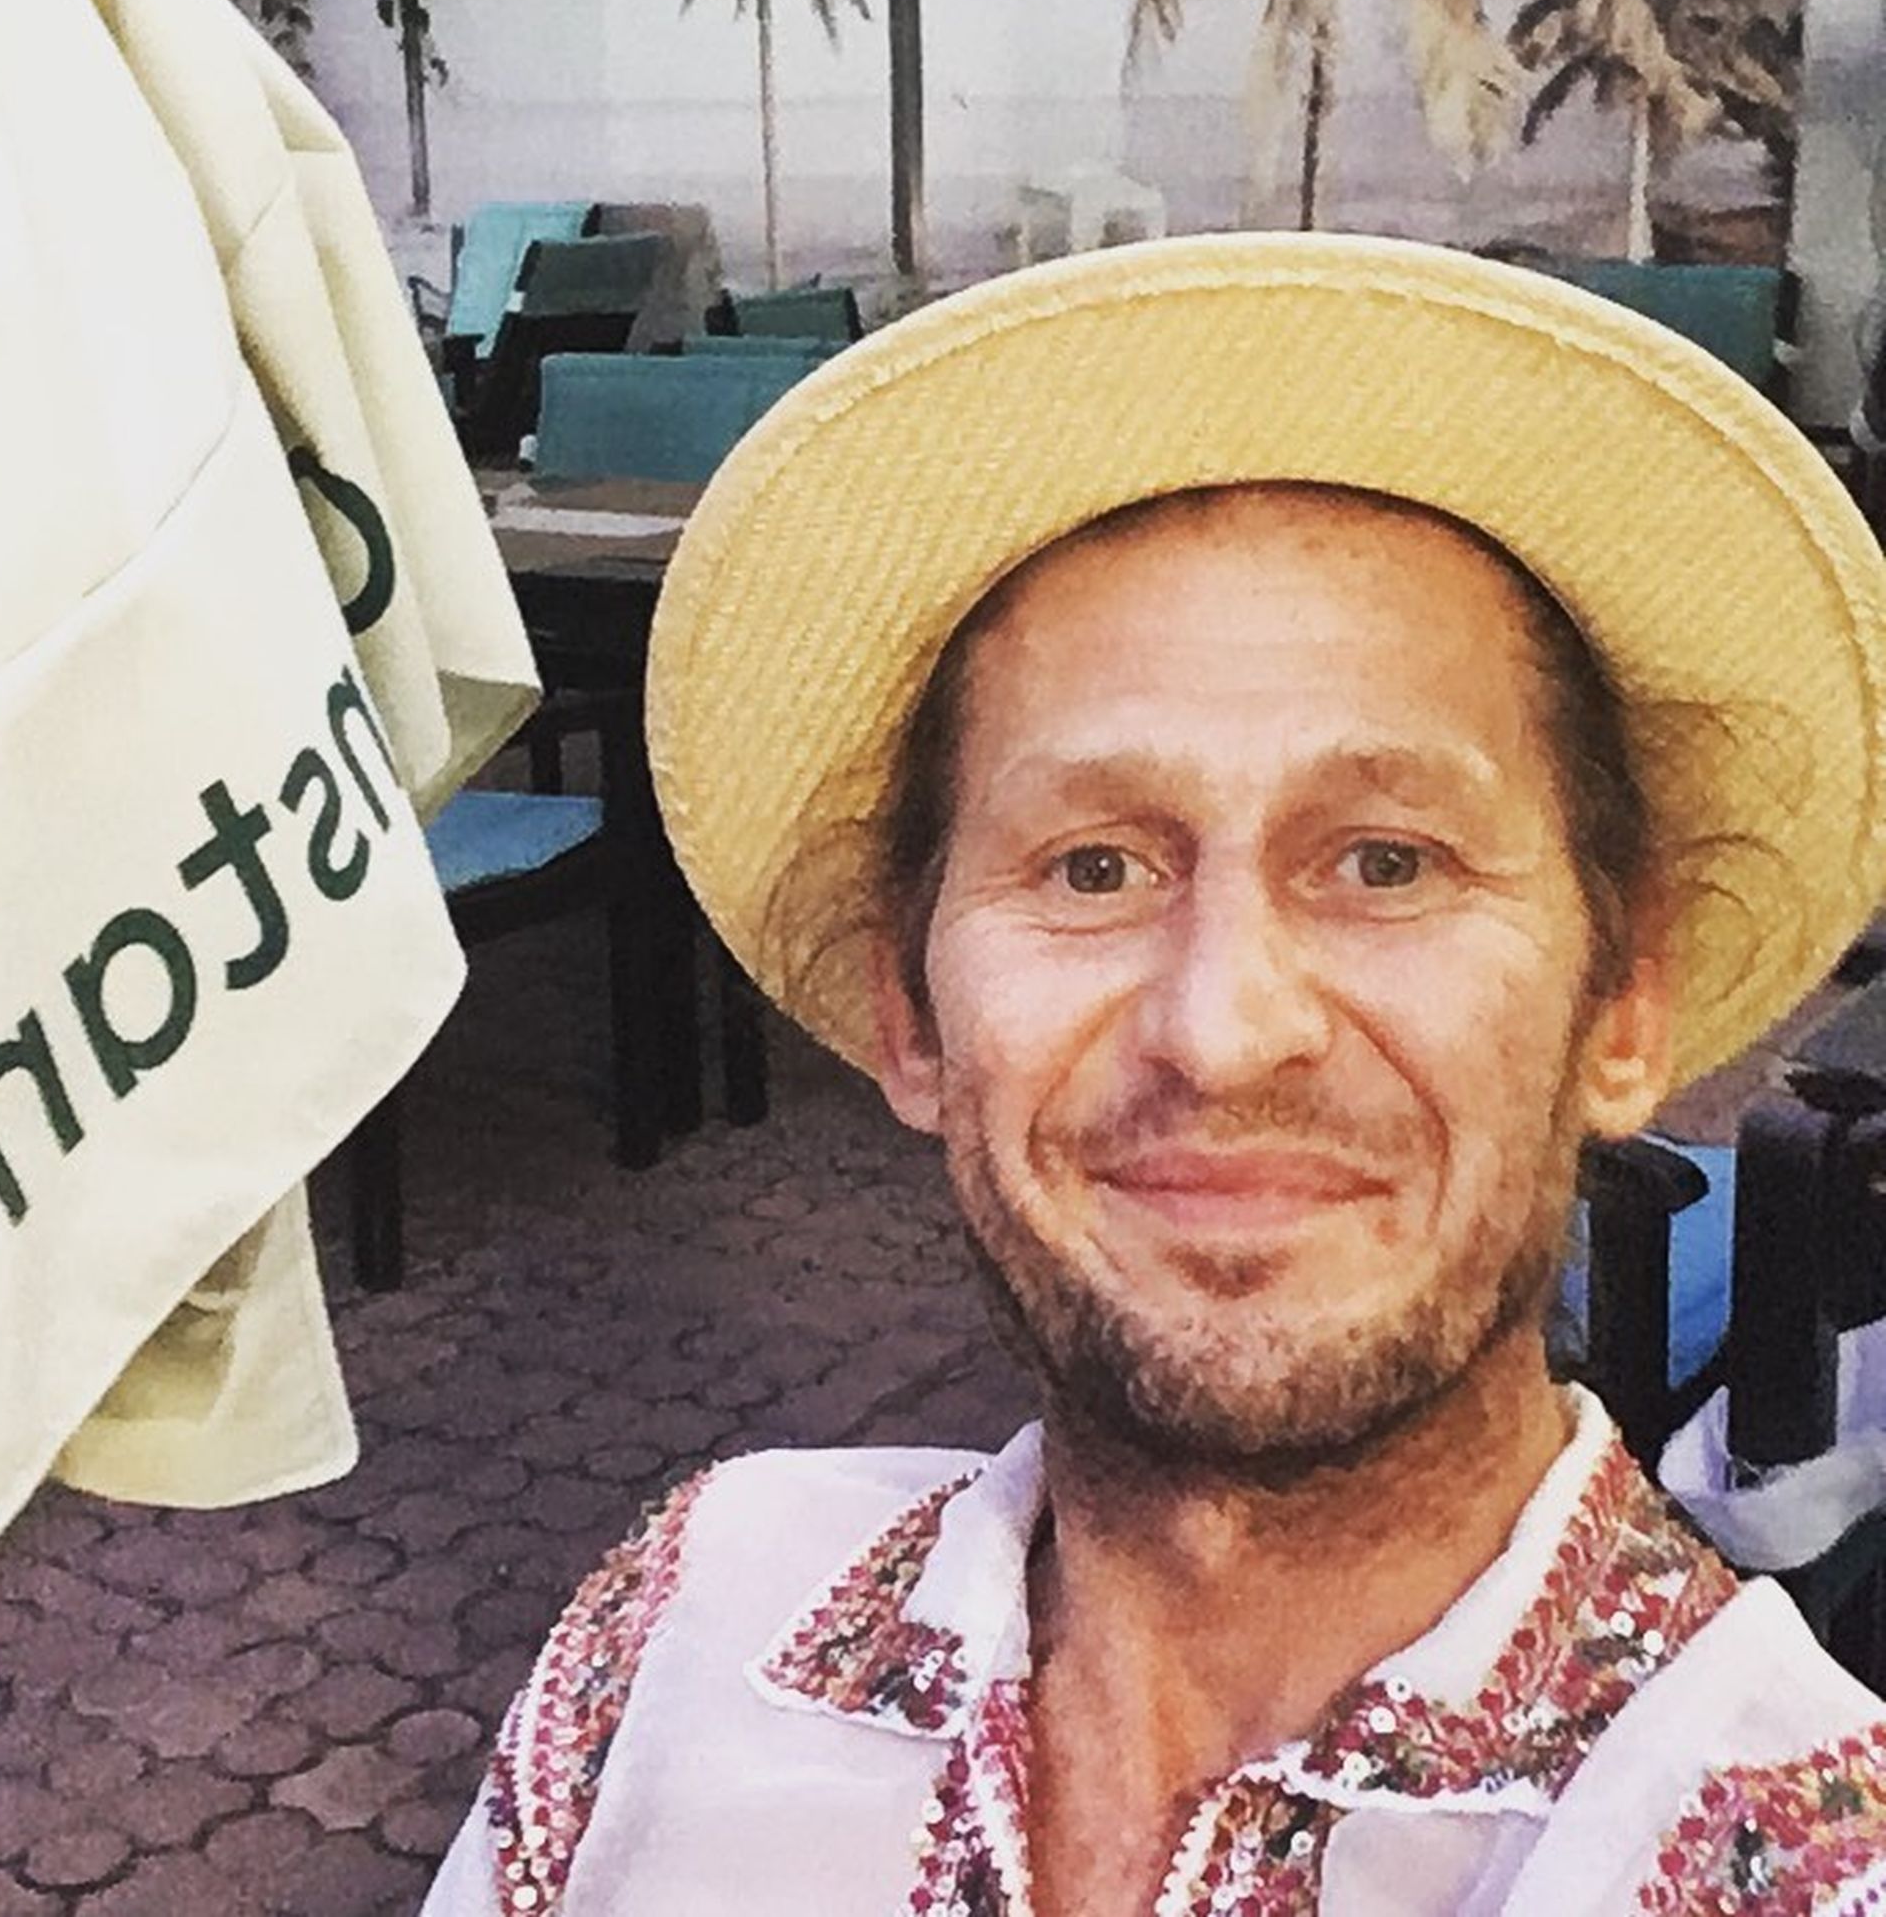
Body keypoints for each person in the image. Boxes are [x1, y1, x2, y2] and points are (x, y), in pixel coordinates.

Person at [424, 232, 1886, 1914]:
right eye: (1094, 868)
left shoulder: (1808, 1851)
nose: (1221, 1030)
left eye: (1387, 862)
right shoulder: (684, 1618)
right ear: (912, 1016)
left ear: (1621, 1007)